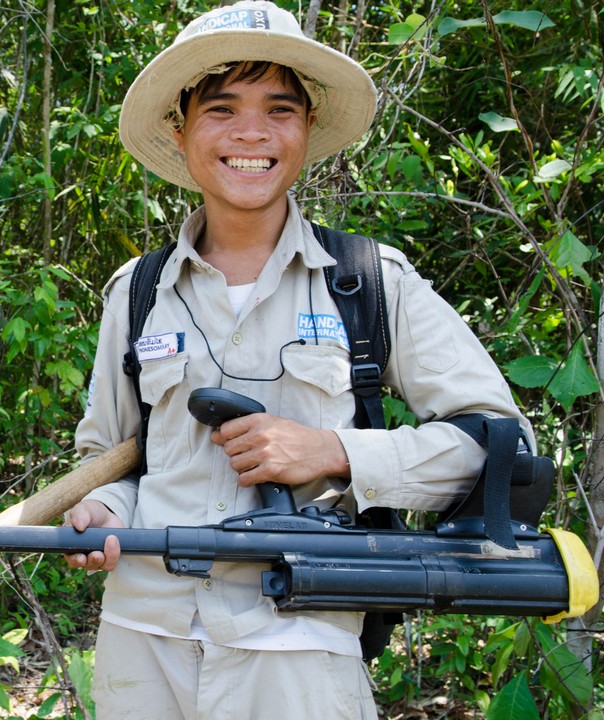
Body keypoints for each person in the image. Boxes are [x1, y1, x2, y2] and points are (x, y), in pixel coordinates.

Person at [62, 2, 533, 718]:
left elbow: (504, 447)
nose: (251, 132)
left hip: (301, 647)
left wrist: (334, 451)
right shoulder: (139, 293)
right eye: (221, 108)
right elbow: (117, 462)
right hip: (142, 641)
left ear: (308, 131)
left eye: (279, 108)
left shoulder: (371, 283)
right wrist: (101, 510)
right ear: (180, 130)